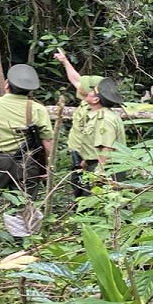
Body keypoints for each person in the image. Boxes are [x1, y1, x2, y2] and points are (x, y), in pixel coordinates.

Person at [0, 63, 54, 212]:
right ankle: (21, 235)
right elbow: (47, 141)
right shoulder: (38, 109)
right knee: (23, 208)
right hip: (27, 163)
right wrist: (47, 166)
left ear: (7, 84)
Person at [53, 51, 104, 199]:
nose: (79, 84)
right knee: (77, 189)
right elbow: (76, 79)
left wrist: (85, 160)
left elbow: (97, 139)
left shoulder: (97, 112)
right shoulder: (86, 99)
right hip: (79, 154)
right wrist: (65, 61)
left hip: (90, 158)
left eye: (84, 85)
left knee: (89, 193)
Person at [76, 77, 127, 196]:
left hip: (107, 168)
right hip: (97, 165)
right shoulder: (97, 115)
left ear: (95, 100)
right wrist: (86, 161)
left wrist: (100, 172)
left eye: (92, 92)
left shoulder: (104, 119)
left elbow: (107, 148)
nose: (88, 93)